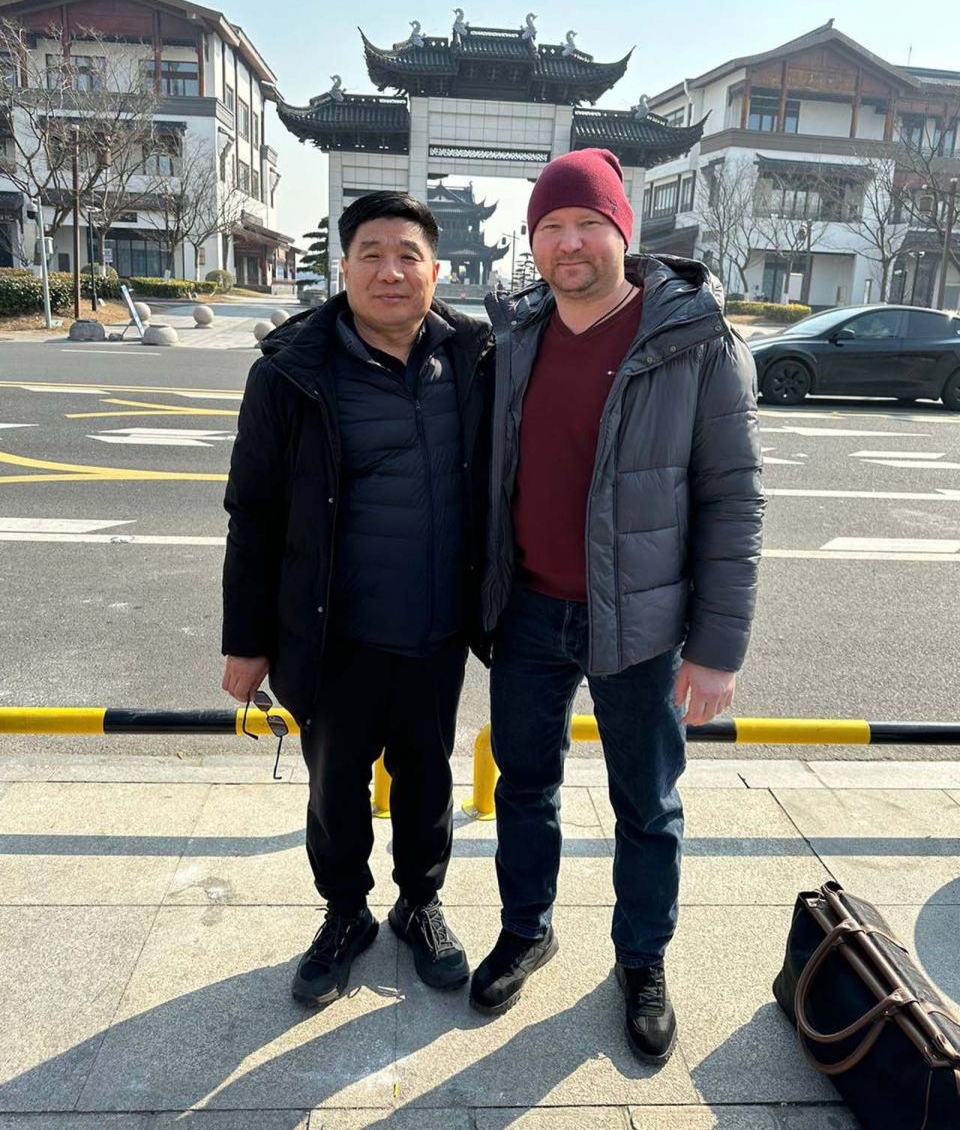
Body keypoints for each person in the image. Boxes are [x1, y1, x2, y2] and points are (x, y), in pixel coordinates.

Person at [470, 149, 764, 1064]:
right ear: (532, 242)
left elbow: (733, 500)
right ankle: (527, 930)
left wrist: (717, 649)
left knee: (647, 804)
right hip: (527, 611)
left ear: (622, 233)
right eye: (550, 227)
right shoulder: (517, 336)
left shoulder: (695, 341)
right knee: (524, 785)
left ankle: (642, 960)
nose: (569, 244)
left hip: (640, 622)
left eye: (588, 225)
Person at [221, 191, 492, 1009]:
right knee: (335, 790)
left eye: (408, 255)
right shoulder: (290, 373)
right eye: (371, 254)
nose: (390, 271)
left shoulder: (474, 359)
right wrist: (245, 641)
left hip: (437, 631)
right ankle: (345, 914)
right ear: (343, 267)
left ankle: (419, 904)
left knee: (427, 781)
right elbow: (253, 512)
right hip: (332, 633)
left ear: (436, 271)